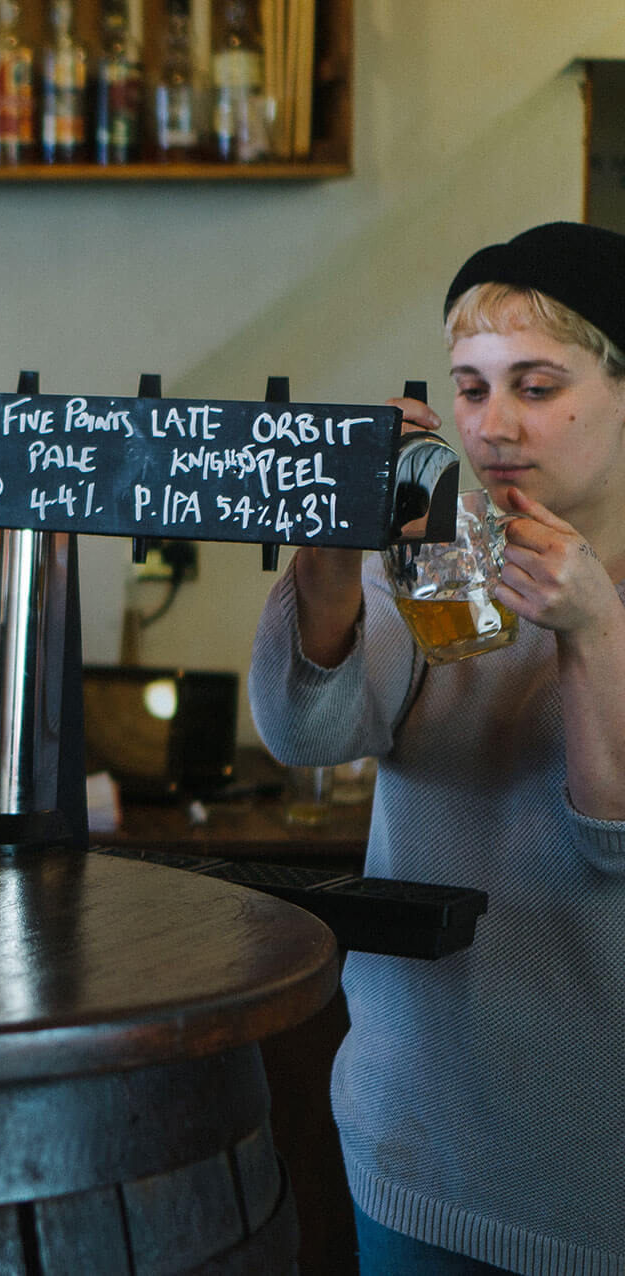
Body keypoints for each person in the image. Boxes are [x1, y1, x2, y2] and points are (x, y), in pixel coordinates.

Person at [249, 221, 625, 1274]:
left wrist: (595, 625)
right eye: (470, 386)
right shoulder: (443, 550)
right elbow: (311, 733)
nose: (492, 425)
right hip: (415, 1138)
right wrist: (329, 557)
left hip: (598, 1170)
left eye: (537, 386)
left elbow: (613, 840)